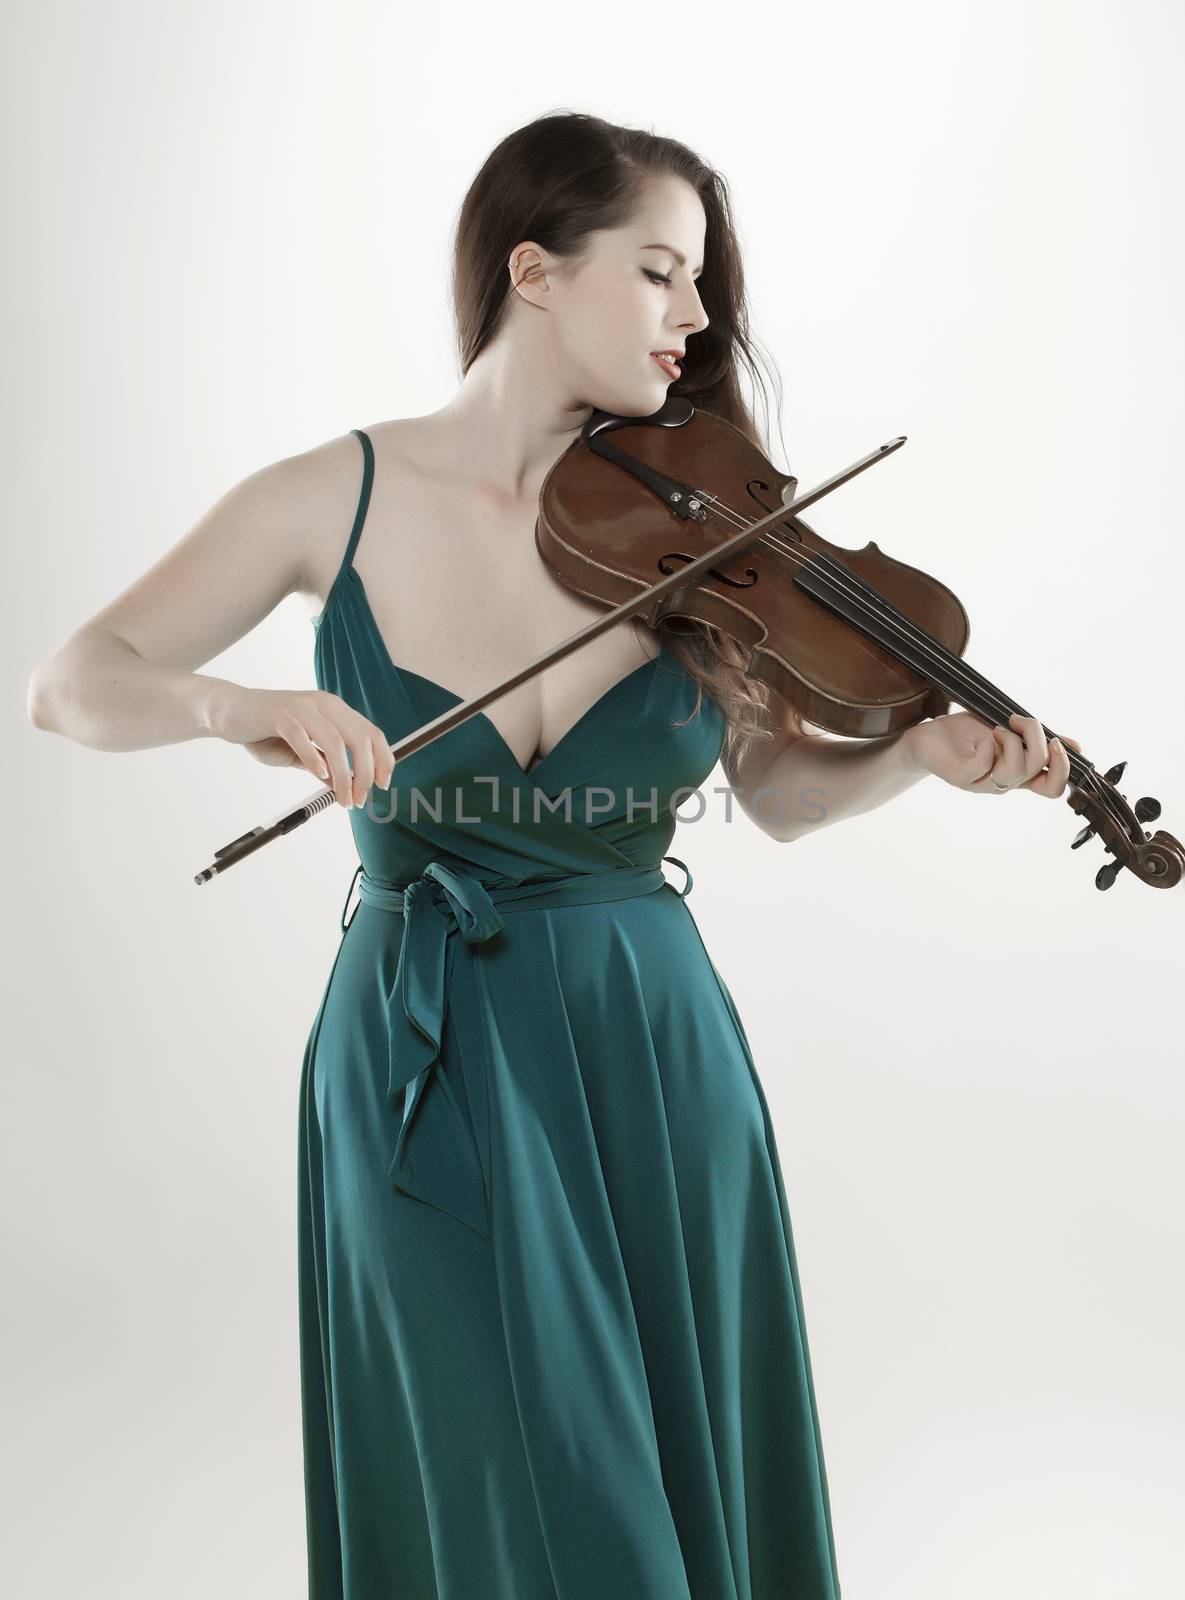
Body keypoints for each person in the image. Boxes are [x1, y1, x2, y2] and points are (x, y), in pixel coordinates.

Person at [27, 111, 1080, 1600]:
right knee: (503, 1474)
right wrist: (232, 701)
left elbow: (773, 797)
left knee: (660, 1474)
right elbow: (71, 682)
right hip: (421, 1050)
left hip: (644, 1045)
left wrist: (906, 754)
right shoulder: (334, 494)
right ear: (534, 269)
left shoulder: (703, 526)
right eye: (658, 273)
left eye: (699, 284)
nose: (696, 318)